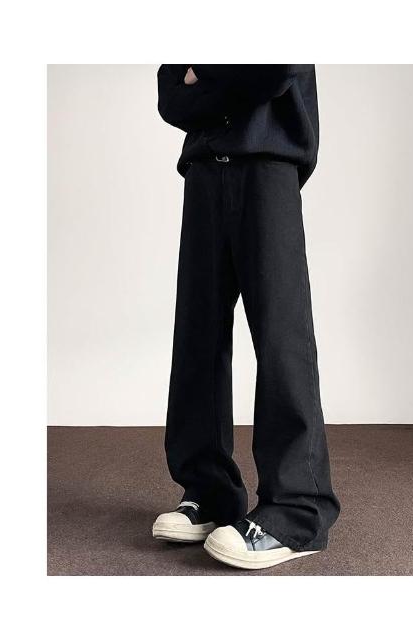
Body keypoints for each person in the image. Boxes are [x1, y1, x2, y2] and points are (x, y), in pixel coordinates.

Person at [152, 64, 340, 570]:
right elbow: (170, 94)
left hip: (268, 162)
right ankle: (210, 492)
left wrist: (204, 73)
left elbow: (275, 67)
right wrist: (226, 77)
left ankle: (298, 511)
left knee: (281, 336)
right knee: (197, 336)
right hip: (203, 169)